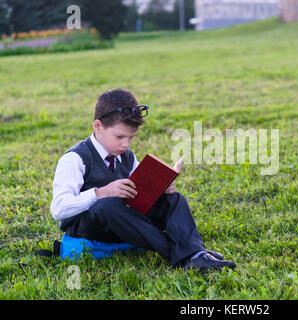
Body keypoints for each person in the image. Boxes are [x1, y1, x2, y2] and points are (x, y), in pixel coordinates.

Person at [50, 88, 236, 272]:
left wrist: (160, 188)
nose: (126, 144)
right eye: (120, 136)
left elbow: (139, 190)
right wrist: (101, 193)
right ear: (98, 126)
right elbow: (59, 208)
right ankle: (182, 255)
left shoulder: (126, 155)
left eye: (131, 137)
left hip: (123, 221)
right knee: (107, 206)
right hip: (90, 226)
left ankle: (194, 254)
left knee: (174, 199)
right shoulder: (75, 159)